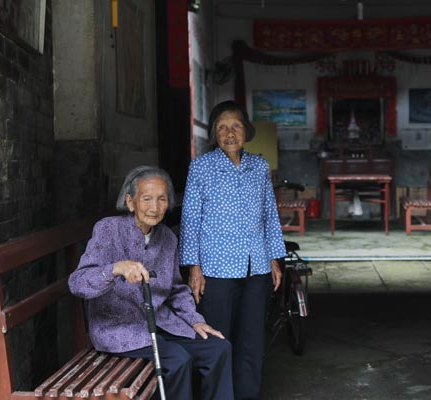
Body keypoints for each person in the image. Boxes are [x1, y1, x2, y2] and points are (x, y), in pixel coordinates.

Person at [69, 165, 233, 400]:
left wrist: (195, 321)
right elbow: (77, 283)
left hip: (161, 324)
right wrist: (115, 269)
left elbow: (176, 289)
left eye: (162, 199)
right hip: (120, 329)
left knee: (219, 349)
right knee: (178, 361)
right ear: (130, 201)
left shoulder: (167, 238)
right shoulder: (108, 229)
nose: (154, 207)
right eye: (146, 199)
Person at [179, 100, 286, 399]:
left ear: (246, 131)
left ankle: (247, 394)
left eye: (235, 126)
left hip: (256, 266)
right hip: (216, 268)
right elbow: (190, 219)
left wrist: (275, 259)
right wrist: (194, 267)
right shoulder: (202, 167)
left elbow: (269, 216)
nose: (229, 133)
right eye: (222, 127)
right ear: (214, 132)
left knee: (251, 339)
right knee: (217, 339)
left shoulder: (259, 166)